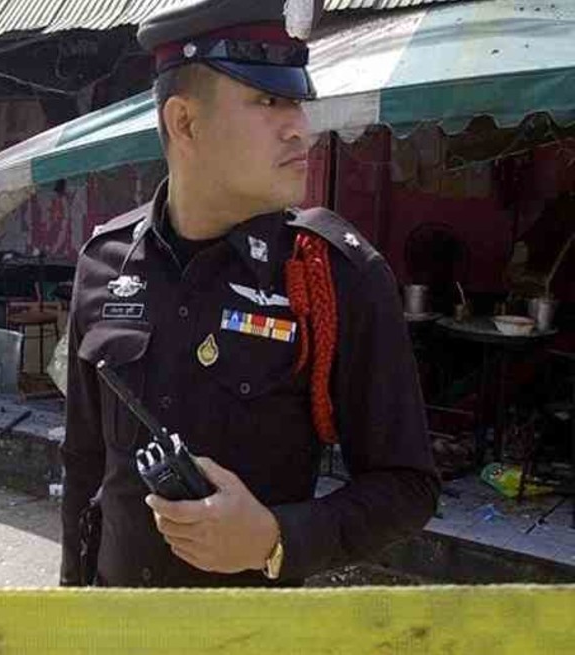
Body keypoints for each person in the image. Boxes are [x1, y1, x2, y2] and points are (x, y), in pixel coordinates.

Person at [60, 0, 439, 588]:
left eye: (295, 102)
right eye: (267, 101)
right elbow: (85, 464)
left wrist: (276, 539)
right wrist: (67, 611)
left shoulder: (333, 274)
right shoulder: (105, 263)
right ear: (184, 122)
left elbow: (407, 487)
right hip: (115, 628)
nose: (299, 128)